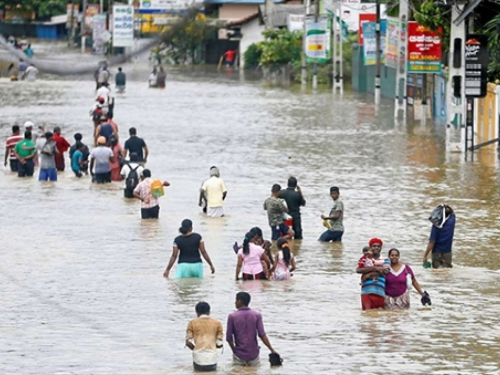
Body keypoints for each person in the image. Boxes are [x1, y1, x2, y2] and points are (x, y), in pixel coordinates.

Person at [226, 292, 278, 366]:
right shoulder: (256, 315)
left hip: (239, 354)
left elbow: (229, 338)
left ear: (240, 301)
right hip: (254, 353)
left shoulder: (232, 316)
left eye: (236, 300)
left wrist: (234, 351)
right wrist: (272, 349)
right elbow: (262, 335)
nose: (235, 302)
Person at [185, 302, 223, 372]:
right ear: (209, 312)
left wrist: (196, 349)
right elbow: (220, 344)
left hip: (198, 358)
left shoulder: (192, 323)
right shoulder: (217, 323)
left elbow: (188, 342)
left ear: (197, 312)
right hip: (212, 358)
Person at [356, 238, 390, 311]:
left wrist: (369, 273)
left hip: (380, 291)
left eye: (378, 246)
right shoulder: (364, 259)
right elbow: (358, 270)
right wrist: (376, 268)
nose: (376, 248)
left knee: (378, 315)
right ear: (370, 248)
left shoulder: (385, 260)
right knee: (367, 313)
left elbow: (386, 271)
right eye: (374, 246)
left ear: (381, 248)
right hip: (366, 291)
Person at [423, 205, 456, 269]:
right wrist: (445, 206)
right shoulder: (452, 221)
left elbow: (432, 242)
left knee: (437, 273)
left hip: (436, 253)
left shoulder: (436, 226)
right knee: (446, 273)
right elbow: (452, 212)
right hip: (447, 253)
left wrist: (425, 255)